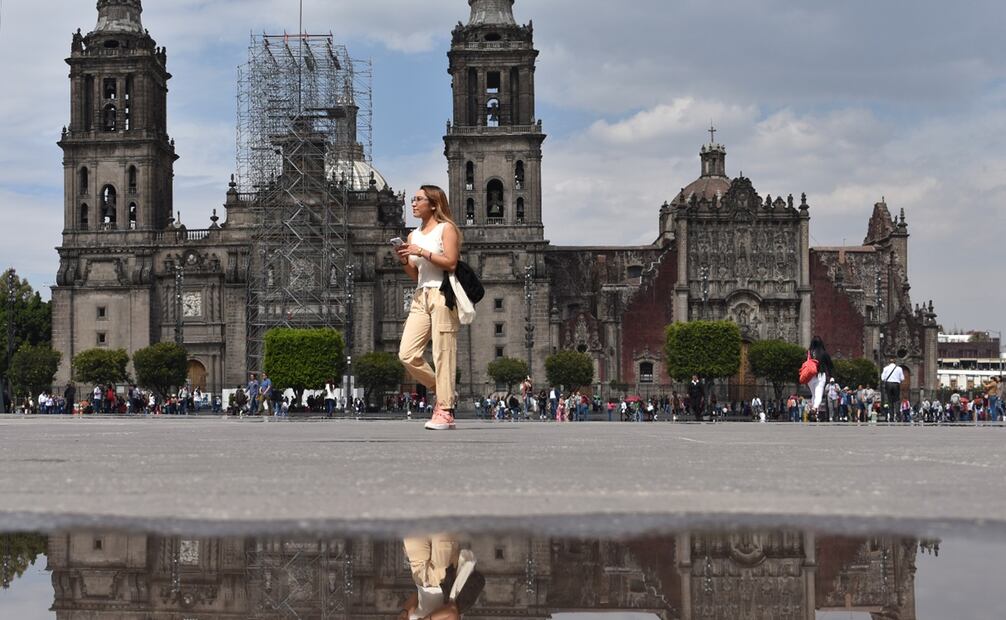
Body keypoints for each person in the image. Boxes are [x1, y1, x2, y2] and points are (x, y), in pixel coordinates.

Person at [396, 185, 462, 431]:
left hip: (442, 294)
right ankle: (443, 389)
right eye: (413, 199)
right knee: (406, 353)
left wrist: (420, 251)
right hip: (421, 295)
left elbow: (451, 262)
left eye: (419, 199)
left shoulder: (447, 229)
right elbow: (415, 274)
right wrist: (404, 257)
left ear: (433, 204)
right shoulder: (413, 235)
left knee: (443, 352)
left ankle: (445, 410)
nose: (413, 203)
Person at [398, 535, 485, 620]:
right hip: (443, 577)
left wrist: (405, 613)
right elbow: (452, 611)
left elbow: (416, 596)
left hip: (420, 577)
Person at [806, 336, 834, 419]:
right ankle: (814, 409)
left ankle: (814, 414)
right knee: (818, 394)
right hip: (820, 375)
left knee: (814, 394)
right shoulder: (824, 353)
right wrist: (832, 376)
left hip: (810, 376)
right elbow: (830, 366)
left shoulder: (808, 353)